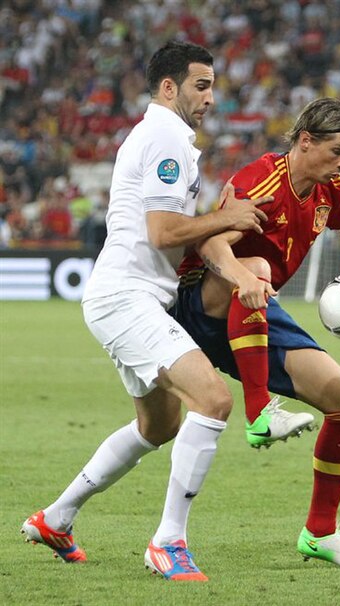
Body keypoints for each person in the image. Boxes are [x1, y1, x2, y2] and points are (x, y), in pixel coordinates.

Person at [21, 40, 271, 582]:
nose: (210, 97)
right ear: (168, 87)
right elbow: (163, 234)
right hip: (126, 297)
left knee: (159, 425)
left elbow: (178, 233)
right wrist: (224, 217)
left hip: (131, 297)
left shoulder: (168, 138)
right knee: (214, 398)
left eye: (212, 86)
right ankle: (168, 542)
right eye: (200, 85)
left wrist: (226, 242)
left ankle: (56, 518)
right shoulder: (163, 137)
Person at [172, 97, 340, 569]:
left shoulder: (332, 189)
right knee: (259, 265)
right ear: (306, 141)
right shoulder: (261, 179)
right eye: (337, 150)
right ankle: (260, 412)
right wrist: (242, 277)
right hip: (203, 300)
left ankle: (321, 533)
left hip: (258, 306)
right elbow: (208, 242)